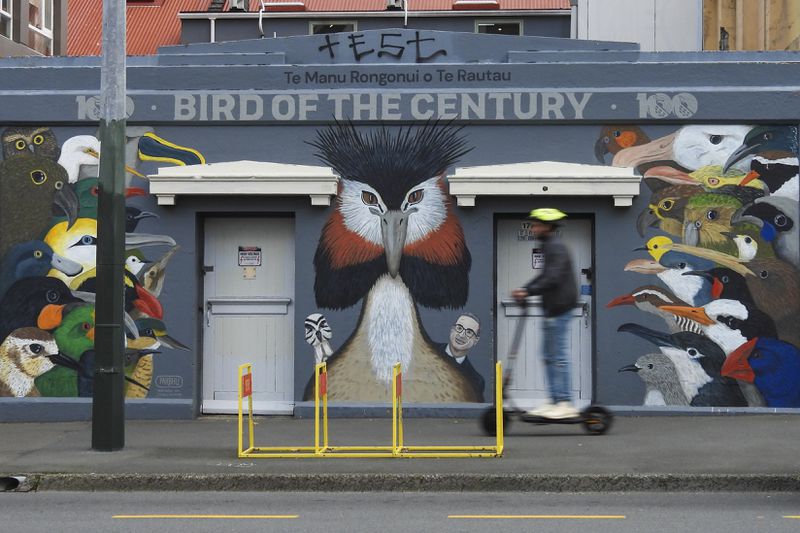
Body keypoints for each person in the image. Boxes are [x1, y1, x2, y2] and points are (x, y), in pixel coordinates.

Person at [512, 208, 579, 420]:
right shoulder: (549, 247)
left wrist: (528, 291)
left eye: (536, 225)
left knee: (557, 356)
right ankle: (555, 400)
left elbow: (553, 277)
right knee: (549, 356)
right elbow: (543, 276)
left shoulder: (556, 248)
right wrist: (525, 289)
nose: (533, 228)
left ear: (547, 226)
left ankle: (565, 402)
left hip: (559, 308)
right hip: (553, 308)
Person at [438, 313, 485, 402]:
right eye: (459, 328)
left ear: (476, 340)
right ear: (452, 330)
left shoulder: (477, 381)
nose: (462, 335)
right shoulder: (429, 349)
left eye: (469, 332)